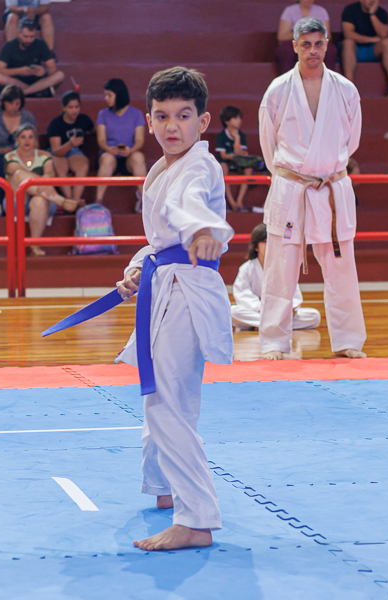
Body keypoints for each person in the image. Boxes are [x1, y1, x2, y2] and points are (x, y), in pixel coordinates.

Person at [114, 66, 233, 552]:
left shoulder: (199, 167)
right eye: (162, 116)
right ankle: (164, 487)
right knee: (165, 397)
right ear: (148, 120)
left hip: (187, 291)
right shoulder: (160, 170)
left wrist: (201, 229)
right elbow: (159, 242)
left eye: (183, 116)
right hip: (165, 285)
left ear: (203, 121)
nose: (171, 126)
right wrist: (135, 270)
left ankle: (197, 520)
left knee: (164, 401)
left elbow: (190, 206)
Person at [259, 17, 367, 360]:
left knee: (341, 268)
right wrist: (295, 174)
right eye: (305, 44)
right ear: (294, 46)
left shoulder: (346, 90)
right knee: (281, 267)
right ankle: (274, 341)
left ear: (327, 44)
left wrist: (325, 167)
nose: (313, 50)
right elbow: (268, 145)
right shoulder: (277, 90)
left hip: (331, 187)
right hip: (292, 187)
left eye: (318, 43)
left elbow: (351, 142)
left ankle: (348, 341)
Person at [5, 124, 77, 256]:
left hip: (43, 199)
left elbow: (50, 174)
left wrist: (45, 179)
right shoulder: (9, 156)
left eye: (30, 137)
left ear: (35, 139)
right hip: (17, 201)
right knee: (19, 175)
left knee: (39, 200)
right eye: (23, 137)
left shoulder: (45, 155)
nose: (27, 141)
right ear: (17, 140)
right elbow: (16, 171)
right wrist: (42, 181)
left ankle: (35, 246)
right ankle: (60, 200)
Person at [231, 224, 320, 331]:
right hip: (258, 311)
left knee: (314, 316)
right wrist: (263, 308)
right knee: (233, 312)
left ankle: (264, 325)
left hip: (281, 312)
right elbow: (242, 295)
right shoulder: (246, 268)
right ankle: (277, 325)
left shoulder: (283, 267)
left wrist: (286, 308)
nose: (270, 245)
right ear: (256, 246)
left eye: (273, 242)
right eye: (266, 241)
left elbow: (294, 294)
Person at [0, 85, 37, 215]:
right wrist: (2, 151)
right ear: (3, 102)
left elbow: (35, 144)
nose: (14, 107)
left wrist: (19, 152)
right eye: (10, 103)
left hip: (22, 155)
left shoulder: (27, 117)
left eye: (17, 103)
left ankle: (24, 204)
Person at [95, 78, 148, 208]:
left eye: (109, 95)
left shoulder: (136, 114)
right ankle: (98, 201)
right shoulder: (103, 114)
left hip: (128, 156)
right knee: (107, 159)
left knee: (138, 157)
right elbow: (101, 140)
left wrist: (131, 150)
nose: (106, 98)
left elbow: (140, 140)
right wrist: (109, 149)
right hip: (109, 155)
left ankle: (144, 201)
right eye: (105, 95)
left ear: (118, 95)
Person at [340, 0, 388, 97]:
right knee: (348, 43)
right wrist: (373, 39)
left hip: (371, 50)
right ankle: (349, 88)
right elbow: (348, 34)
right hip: (352, 50)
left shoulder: (382, 12)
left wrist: (372, 14)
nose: (371, 1)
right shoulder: (350, 10)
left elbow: (383, 34)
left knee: (387, 43)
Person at [0, 20, 65, 98]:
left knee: (60, 75)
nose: (29, 40)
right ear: (18, 33)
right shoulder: (9, 46)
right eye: (26, 36)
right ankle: (34, 91)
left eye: (32, 37)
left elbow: (52, 67)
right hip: (16, 80)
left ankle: (25, 92)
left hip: (36, 81)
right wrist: (20, 71)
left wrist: (44, 72)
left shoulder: (40, 44)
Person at [47, 91, 94, 203]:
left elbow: (94, 130)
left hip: (75, 152)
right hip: (59, 152)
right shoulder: (56, 123)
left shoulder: (83, 119)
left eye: (77, 107)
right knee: (60, 166)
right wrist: (70, 144)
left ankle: (75, 200)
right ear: (63, 108)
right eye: (70, 107)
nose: (74, 110)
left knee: (83, 165)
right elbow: (56, 151)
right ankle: (70, 201)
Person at [215, 105, 263, 212]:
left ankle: (239, 201)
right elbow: (223, 156)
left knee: (248, 169)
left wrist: (237, 138)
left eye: (240, 118)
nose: (239, 121)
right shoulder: (221, 135)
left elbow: (239, 155)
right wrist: (235, 155)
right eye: (235, 118)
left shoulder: (241, 135)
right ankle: (231, 202)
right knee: (223, 167)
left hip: (238, 164)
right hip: (226, 163)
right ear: (227, 121)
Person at [276, 1, 330, 74]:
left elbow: (327, 35)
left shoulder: (321, 11)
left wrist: (313, 36)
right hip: (295, 41)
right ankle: (287, 78)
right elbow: (282, 36)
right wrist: (302, 34)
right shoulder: (290, 11)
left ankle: (326, 77)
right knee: (286, 50)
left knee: (330, 50)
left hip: (315, 40)